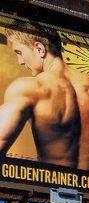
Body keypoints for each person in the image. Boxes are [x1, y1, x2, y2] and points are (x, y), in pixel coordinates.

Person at [0, 24, 80, 168]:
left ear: (39, 49)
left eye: (19, 52)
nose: (21, 61)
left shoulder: (28, 88)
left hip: (45, 189)